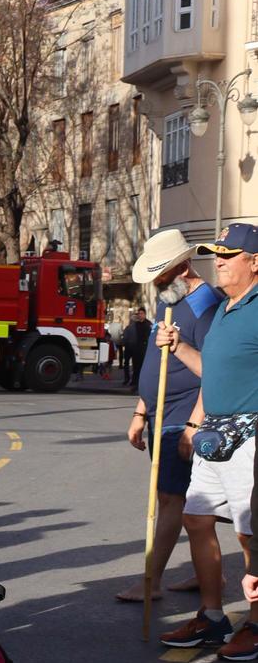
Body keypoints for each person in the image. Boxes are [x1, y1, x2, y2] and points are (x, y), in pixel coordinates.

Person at [160, 222, 258, 659]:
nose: (217, 261)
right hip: (214, 435)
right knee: (196, 519)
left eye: (228, 254)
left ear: (254, 262)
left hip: (250, 437)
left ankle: (255, 626)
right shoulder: (224, 309)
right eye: (215, 254)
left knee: (250, 534)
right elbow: (211, 373)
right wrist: (179, 346)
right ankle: (213, 617)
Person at [115, 228, 219, 604]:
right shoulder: (169, 300)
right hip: (160, 412)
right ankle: (204, 572)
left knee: (172, 499)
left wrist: (194, 424)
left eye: (161, 274)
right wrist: (140, 411)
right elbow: (153, 359)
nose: (157, 282)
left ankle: (151, 581)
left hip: (182, 416)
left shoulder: (207, 306)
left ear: (183, 267)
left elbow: (216, 371)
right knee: (182, 501)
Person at [119, 307, 152, 391]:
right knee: (135, 366)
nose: (140, 316)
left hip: (142, 349)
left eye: (141, 314)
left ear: (144, 314)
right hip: (134, 349)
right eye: (139, 314)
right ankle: (134, 381)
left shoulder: (148, 324)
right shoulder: (135, 325)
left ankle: (138, 382)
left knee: (140, 366)